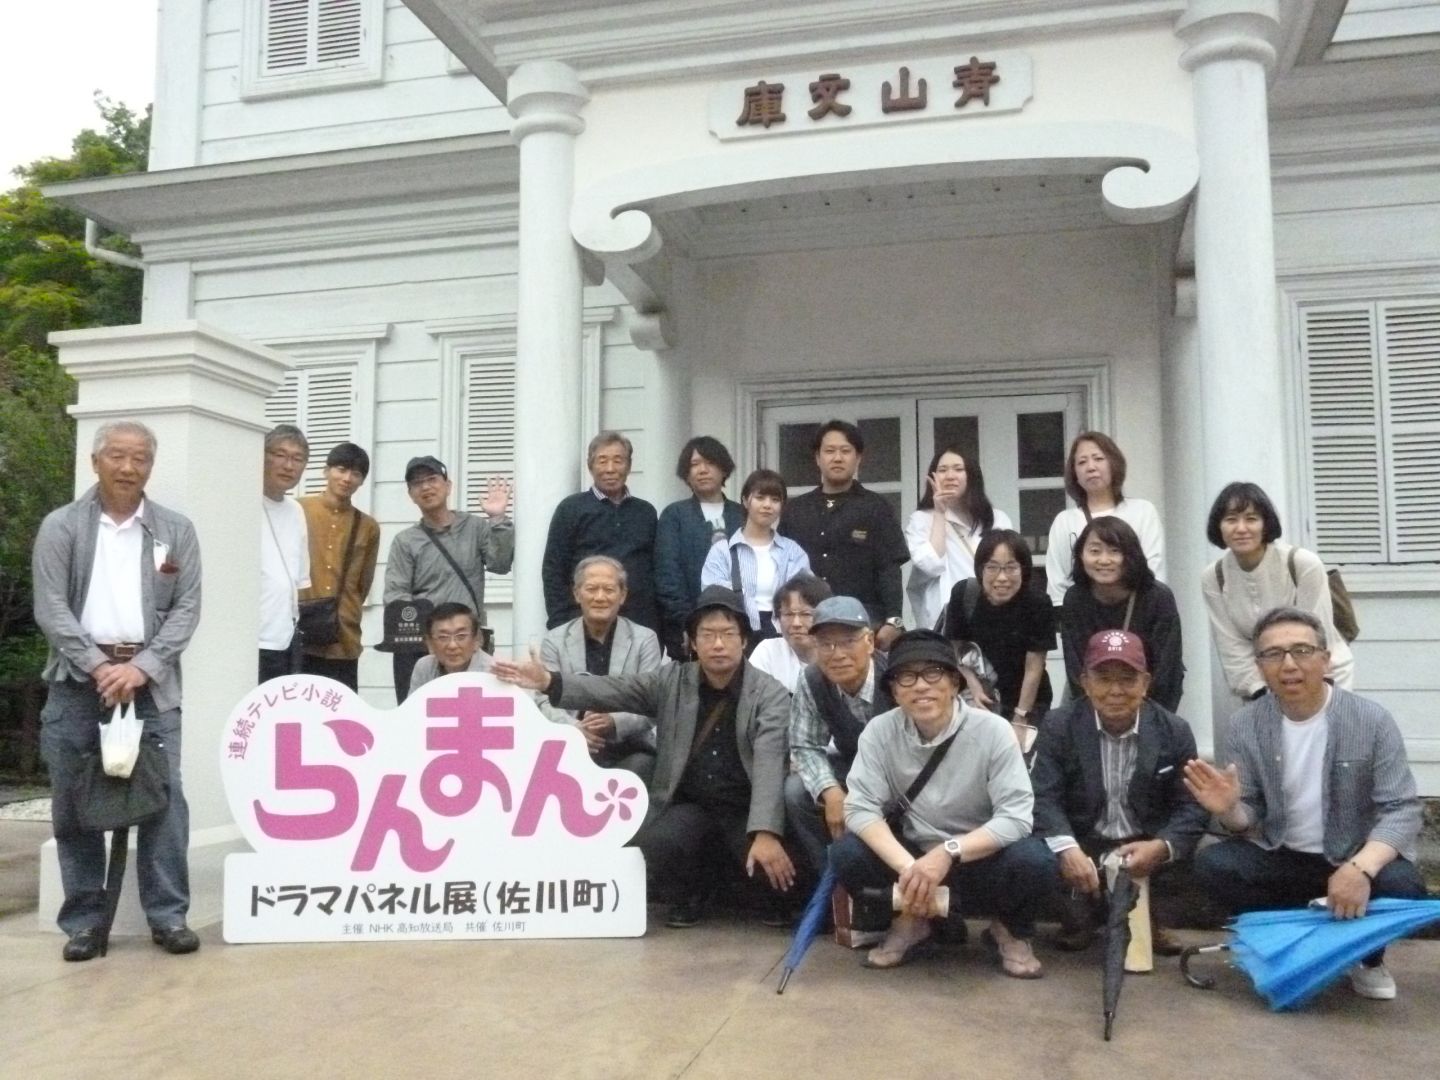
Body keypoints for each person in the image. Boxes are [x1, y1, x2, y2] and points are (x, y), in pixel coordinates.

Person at [495, 586, 797, 929]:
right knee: (657, 845)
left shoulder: (768, 693)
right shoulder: (673, 681)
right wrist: (550, 681)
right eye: (707, 634)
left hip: (744, 808)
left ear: (743, 641)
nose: (718, 644)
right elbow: (615, 689)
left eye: (728, 634)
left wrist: (766, 831)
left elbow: (770, 762)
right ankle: (692, 893)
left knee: (781, 877)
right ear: (692, 642)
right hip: (690, 805)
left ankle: (746, 890)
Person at [1185, 607, 1426, 1001]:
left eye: (1301, 650)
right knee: (1215, 864)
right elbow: (1248, 816)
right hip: (1283, 854)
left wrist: (1359, 868)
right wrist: (1228, 809)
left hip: (1351, 853)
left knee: (1403, 884)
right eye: (1273, 654)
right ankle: (1288, 945)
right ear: (1260, 667)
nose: (1289, 665)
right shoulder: (1246, 724)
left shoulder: (1372, 720)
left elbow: (1401, 808)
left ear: (1325, 659)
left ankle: (1366, 959)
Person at [32, 420, 202, 960]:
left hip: (150, 685)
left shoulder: (175, 530)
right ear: (95, 461)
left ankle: (169, 916)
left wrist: (143, 667)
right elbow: (51, 607)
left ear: (151, 465)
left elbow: (187, 608)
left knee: (164, 799)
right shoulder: (62, 526)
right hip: (78, 683)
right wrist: (99, 665)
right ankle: (84, 922)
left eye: (140, 458)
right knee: (73, 803)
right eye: (118, 456)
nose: (129, 468)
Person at [832, 629, 1053, 978]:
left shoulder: (993, 731)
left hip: (978, 856)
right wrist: (911, 869)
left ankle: (1009, 930)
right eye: (907, 677)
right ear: (894, 691)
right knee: (847, 853)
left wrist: (948, 852)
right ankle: (912, 920)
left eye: (933, 673)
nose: (921, 686)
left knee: (1035, 861)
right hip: (913, 854)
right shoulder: (878, 732)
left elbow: (1017, 817)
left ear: (954, 683)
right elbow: (860, 809)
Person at [1030, 630, 1208, 954]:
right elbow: (1044, 797)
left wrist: (1161, 846)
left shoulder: (1174, 730)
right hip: (1085, 841)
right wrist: (1067, 848)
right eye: (1103, 678)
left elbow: (1192, 807)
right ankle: (1083, 917)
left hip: (1145, 842)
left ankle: (1150, 919)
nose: (1115, 690)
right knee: (1040, 855)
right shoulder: (1058, 725)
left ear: (1146, 683)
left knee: (1189, 853)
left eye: (1128, 679)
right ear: (1085, 682)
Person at [1201, 481, 1354, 701]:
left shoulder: (1303, 563)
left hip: (1323, 676)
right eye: (1231, 519)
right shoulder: (1214, 577)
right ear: (1218, 526)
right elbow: (1231, 646)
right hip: (1262, 685)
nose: (1241, 528)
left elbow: (1316, 636)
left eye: (1251, 519)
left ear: (1265, 524)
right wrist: (1259, 689)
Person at [384, 455, 513, 703]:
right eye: (417, 483)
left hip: (466, 641)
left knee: (473, 711)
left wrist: (498, 520)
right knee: (417, 713)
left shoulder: (475, 527)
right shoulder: (405, 541)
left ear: (448, 485)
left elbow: (500, 564)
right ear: (411, 494)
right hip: (421, 644)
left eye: (432, 479)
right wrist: (428, 634)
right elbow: (396, 594)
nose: (426, 487)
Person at [784, 596, 894, 875]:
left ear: (870, 642)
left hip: (900, 773)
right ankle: (831, 881)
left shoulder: (895, 674)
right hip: (852, 766)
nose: (837, 654)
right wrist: (830, 791)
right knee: (796, 792)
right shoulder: (812, 679)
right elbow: (804, 745)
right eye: (826, 644)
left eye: (848, 642)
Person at [779, 420, 908, 650]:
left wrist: (893, 620)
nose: (837, 458)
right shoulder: (796, 510)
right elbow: (781, 568)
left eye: (845, 451)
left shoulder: (877, 508)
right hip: (807, 624)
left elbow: (889, 569)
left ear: (858, 458)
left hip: (862, 623)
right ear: (817, 458)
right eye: (829, 451)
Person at [538, 556, 666, 786]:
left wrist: (613, 722)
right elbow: (543, 701)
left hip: (629, 746)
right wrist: (575, 731)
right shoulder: (554, 641)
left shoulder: (644, 639)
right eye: (591, 589)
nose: (600, 597)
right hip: (570, 745)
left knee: (641, 769)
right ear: (577, 594)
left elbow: (653, 703)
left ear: (622, 595)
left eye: (608, 589)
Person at [1060, 517, 1184, 712]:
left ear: (1131, 555)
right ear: (1081, 555)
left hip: (1148, 701)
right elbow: (1075, 669)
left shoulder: (1158, 597)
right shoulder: (1075, 598)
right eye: (1095, 551)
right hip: (1091, 700)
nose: (1104, 560)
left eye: (1114, 551)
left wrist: (1148, 719)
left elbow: (1167, 671)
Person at [542, 431, 659, 632]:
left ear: (629, 466)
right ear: (590, 466)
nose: (610, 469)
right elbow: (554, 570)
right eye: (602, 461)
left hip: (639, 623)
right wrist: (561, 622)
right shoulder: (570, 509)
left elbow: (656, 570)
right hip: (582, 621)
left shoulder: (646, 512)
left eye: (618, 461)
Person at [943, 529, 1055, 724]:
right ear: (980, 569)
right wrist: (973, 687)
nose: (1002, 577)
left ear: (1024, 569)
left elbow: (1033, 668)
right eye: (992, 567)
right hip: (979, 698)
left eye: (1011, 568)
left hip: (1028, 701)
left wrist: (1021, 716)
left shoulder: (1038, 603)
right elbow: (956, 650)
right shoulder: (964, 594)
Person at [297, 442, 381, 692]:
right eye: (341, 469)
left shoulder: (368, 526)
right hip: (298, 632)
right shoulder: (298, 510)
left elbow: (363, 583)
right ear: (326, 471)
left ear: (362, 481)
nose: (347, 478)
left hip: (343, 636)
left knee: (340, 706)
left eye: (356, 473)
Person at [1045, 432, 1165, 605]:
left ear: (1114, 463)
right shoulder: (1065, 521)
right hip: (1081, 615)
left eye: (1098, 459)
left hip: (1136, 611)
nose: (1091, 467)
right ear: (1074, 473)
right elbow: (1057, 584)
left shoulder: (1143, 512)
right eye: (1082, 462)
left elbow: (1154, 570)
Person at [654, 436, 744, 659]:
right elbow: (668, 575)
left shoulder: (742, 514)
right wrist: (687, 624)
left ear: (724, 469)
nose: (702, 470)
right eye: (694, 464)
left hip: (739, 625)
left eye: (710, 463)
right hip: (688, 630)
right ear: (686, 473)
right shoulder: (675, 515)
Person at [701, 468, 810, 648]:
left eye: (775, 500)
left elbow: (804, 595)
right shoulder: (722, 551)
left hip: (782, 635)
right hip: (735, 634)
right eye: (760, 498)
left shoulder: (793, 551)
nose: (767, 505)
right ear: (745, 501)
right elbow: (713, 596)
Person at [905, 447, 1012, 631]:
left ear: (972, 475)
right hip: (945, 621)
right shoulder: (921, 520)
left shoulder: (998, 519)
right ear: (933, 477)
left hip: (993, 614)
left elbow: (1010, 567)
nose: (950, 476)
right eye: (942, 470)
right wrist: (939, 513)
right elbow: (931, 565)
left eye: (958, 469)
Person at [259, 424, 311, 683]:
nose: (289, 465)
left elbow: (298, 579)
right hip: (252, 640)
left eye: (297, 459)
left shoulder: (296, 510)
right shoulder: (241, 502)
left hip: (286, 639)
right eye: (280, 455)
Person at [749, 573, 833, 692]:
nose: (796, 623)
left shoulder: (838, 653)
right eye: (788, 614)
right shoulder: (767, 652)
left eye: (806, 614)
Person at [409, 602, 495, 693]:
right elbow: (414, 702)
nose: (452, 645)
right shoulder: (424, 667)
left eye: (461, 636)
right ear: (430, 643)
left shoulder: (494, 671)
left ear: (477, 639)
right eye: (443, 637)